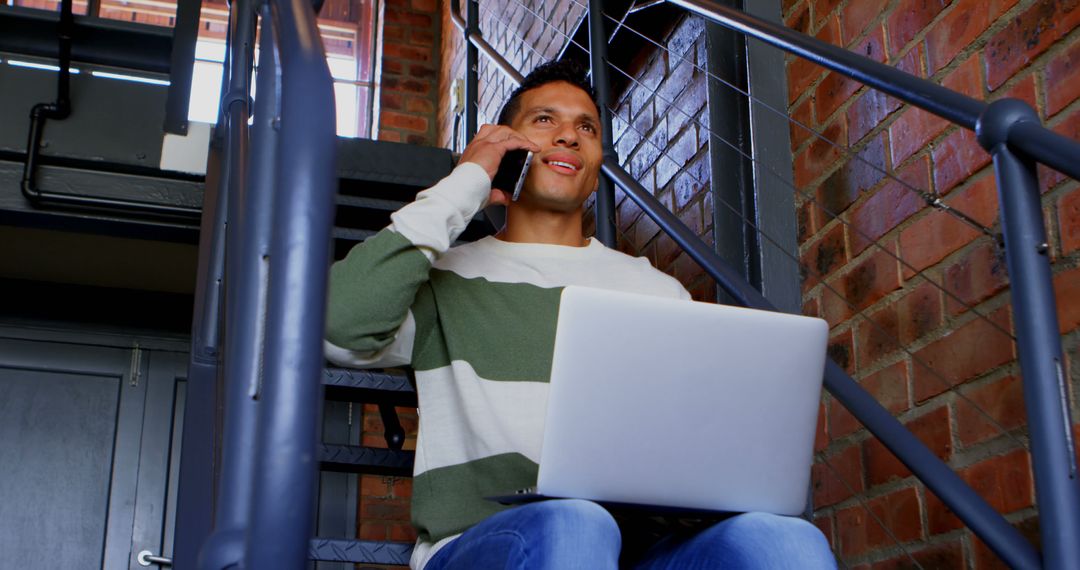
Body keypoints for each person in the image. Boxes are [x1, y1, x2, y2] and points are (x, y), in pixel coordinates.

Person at [324, 60, 835, 569]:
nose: (569, 135)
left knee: (786, 540)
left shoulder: (656, 292)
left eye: (586, 127)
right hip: (482, 545)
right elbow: (336, 326)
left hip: (637, 550)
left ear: (594, 172)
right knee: (574, 524)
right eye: (545, 120)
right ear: (504, 145)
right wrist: (466, 183)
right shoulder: (439, 280)